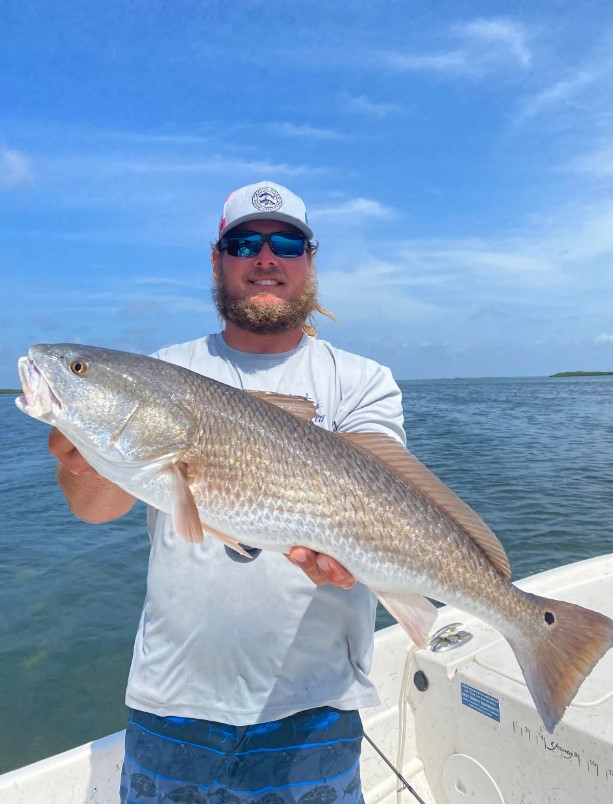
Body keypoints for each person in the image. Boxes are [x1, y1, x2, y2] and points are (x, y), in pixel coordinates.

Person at [50, 181, 406, 804]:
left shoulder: (360, 381)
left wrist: (359, 562)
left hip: (315, 708)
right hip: (172, 702)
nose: (264, 257)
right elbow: (96, 509)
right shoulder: (165, 370)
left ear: (309, 261)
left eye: (285, 244)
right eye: (243, 243)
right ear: (217, 261)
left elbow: (392, 503)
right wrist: (86, 448)